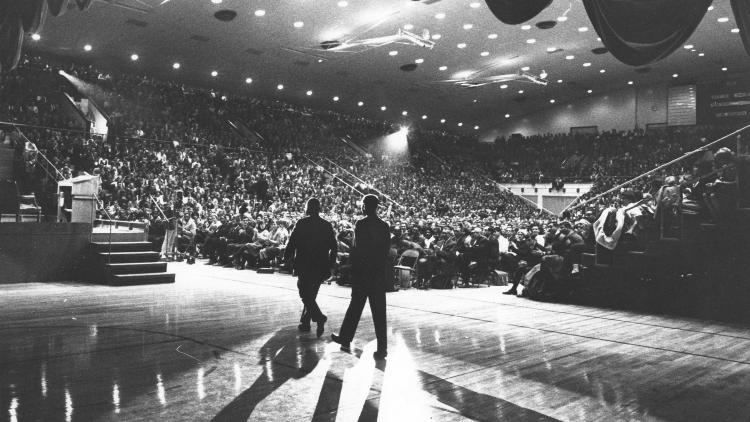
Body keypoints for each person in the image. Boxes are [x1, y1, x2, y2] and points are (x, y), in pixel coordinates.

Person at [331, 194, 391, 360]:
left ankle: (345, 337)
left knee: (355, 307)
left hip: (363, 273)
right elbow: (386, 250)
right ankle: (382, 349)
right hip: (377, 273)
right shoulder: (384, 226)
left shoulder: (361, 224)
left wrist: (353, 270)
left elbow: (357, 250)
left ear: (365, 206)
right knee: (379, 312)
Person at [284, 198, 337, 338]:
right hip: (321, 265)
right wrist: (331, 264)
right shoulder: (326, 225)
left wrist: (286, 257)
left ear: (307, 208)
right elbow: (334, 246)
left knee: (304, 293)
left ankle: (319, 317)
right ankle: (305, 323)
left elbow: (292, 242)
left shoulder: (302, 223)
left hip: (304, 263)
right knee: (311, 295)